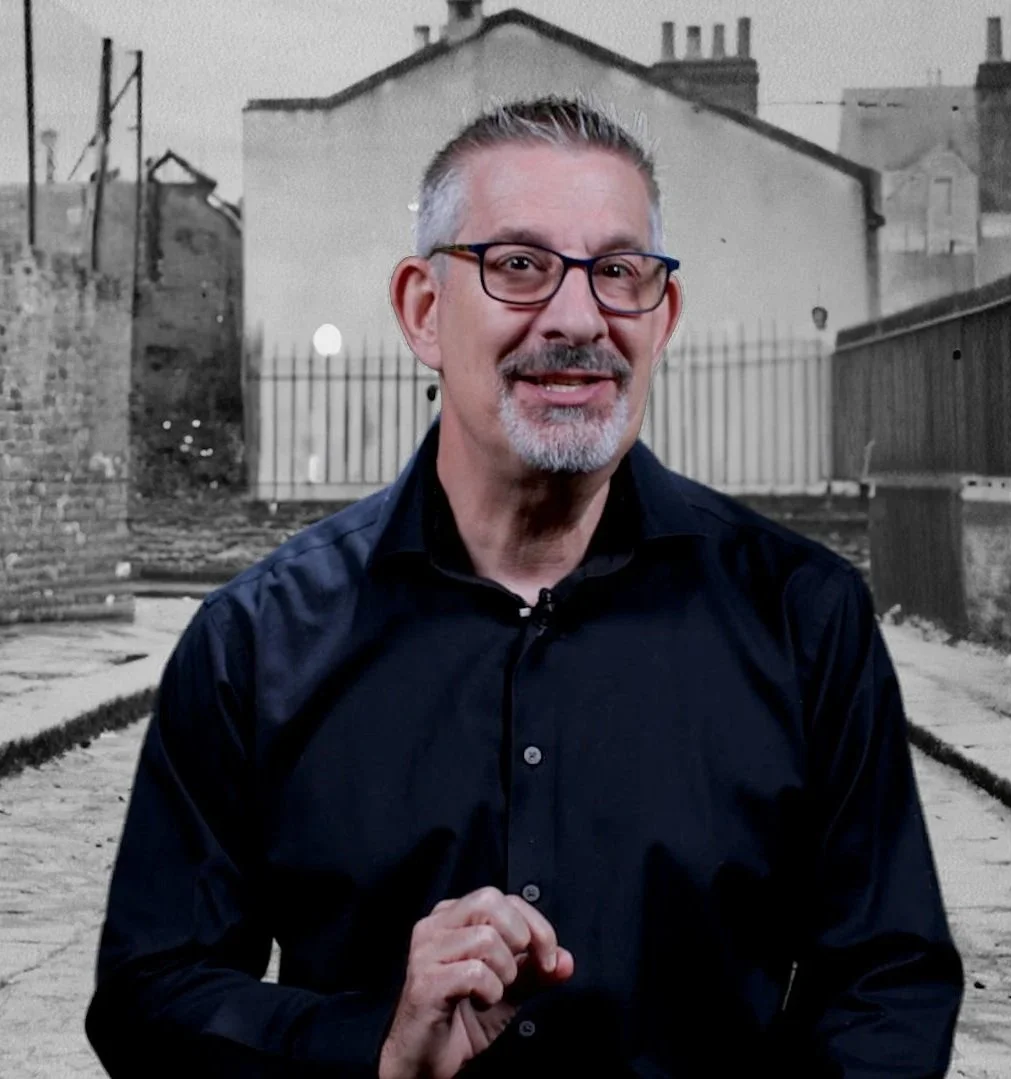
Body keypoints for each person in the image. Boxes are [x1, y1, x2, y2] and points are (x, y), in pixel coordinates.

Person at [86, 96, 964, 1078]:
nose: (578, 316)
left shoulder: (804, 618)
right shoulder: (255, 643)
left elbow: (888, 983)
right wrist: (370, 1046)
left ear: (660, 315)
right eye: (518, 265)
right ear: (424, 309)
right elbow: (149, 995)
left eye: (619, 272)